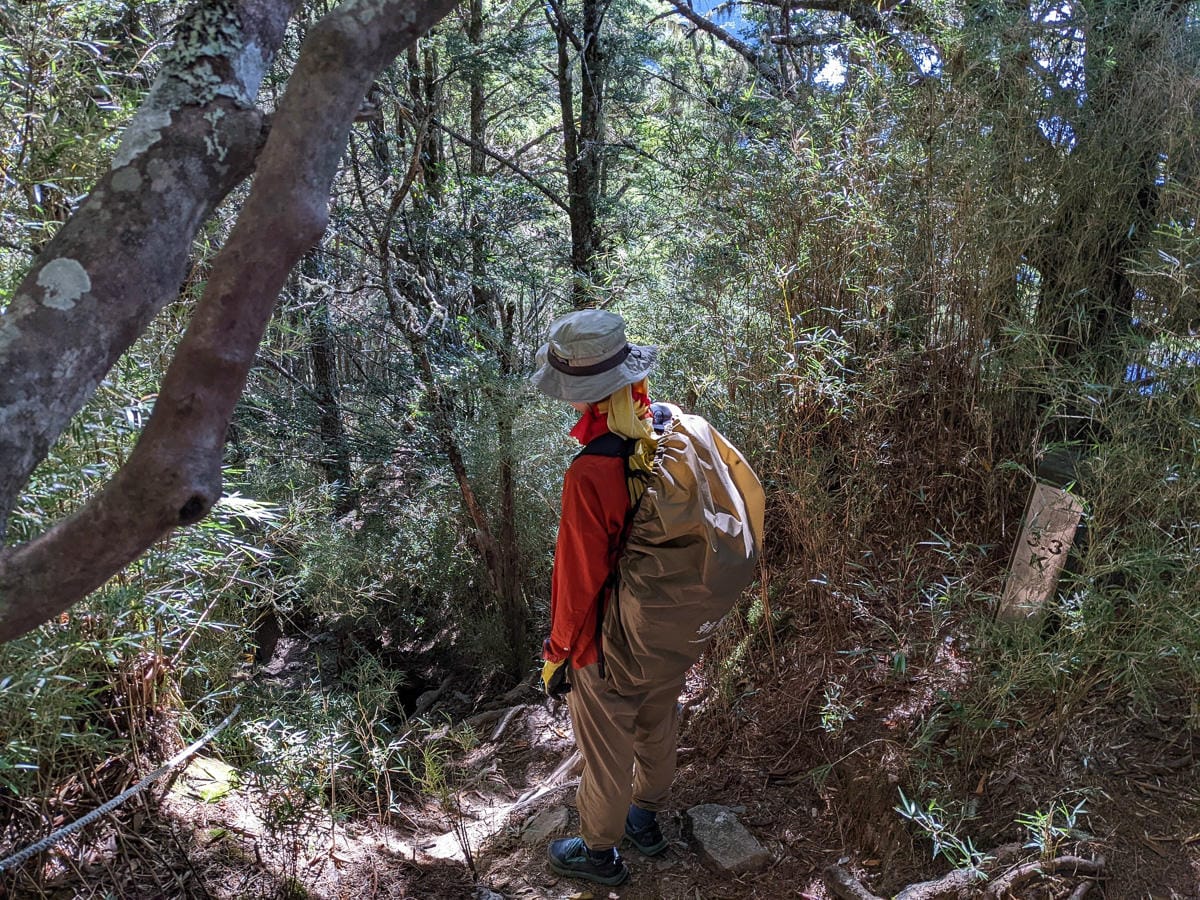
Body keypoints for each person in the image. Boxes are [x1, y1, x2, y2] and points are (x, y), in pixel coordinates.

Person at [530, 309, 679, 887]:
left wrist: (558, 652)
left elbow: (576, 581)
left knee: (607, 748)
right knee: (658, 721)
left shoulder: (591, 472)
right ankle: (645, 820)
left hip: (606, 640)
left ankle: (599, 855)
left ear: (585, 397)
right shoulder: (667, 433)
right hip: (666, 627)